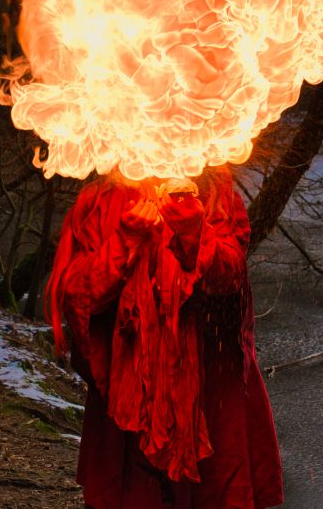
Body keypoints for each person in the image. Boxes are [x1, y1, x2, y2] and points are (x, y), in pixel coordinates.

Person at [45, 167, 283, 508]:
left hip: (210, 392)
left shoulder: (216, 199)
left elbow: (230, 280)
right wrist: (125, 239)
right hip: (128, 395)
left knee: (213, 494)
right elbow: (80, 298)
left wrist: (194, 234)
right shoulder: (98, 202)